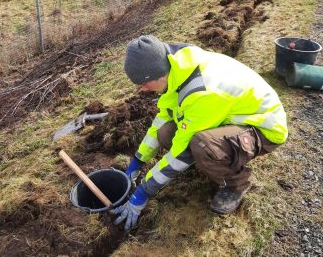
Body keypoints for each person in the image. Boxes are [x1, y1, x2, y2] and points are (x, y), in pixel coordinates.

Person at [111, 35, 288, 230]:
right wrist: (137, 161)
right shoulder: (176, 68)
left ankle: (237, 184)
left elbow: (182, 150)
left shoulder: (201, 91)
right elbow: (163, 118)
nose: (142, 89)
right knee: (165, 132)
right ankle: (211, 161)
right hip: (224, 114)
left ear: (159, 75)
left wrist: (144, 191)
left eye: (143, 84)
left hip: (262, 127)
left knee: (201, 146)